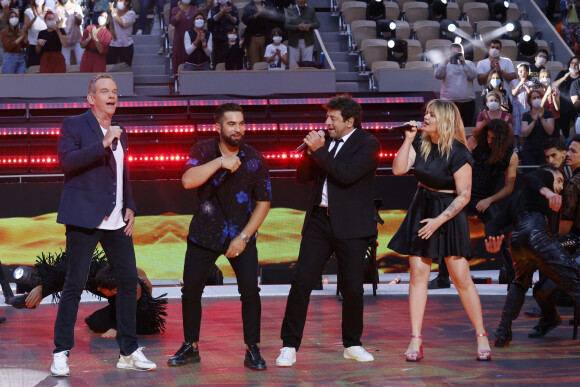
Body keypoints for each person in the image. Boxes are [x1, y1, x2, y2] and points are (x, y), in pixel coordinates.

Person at [50, 73, 156, 377]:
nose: (112, 96)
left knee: (128, 284)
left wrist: (131, 205)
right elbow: (67, 163)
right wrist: (103, 142)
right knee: (74, 284)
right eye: (105, 91)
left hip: (116, 220)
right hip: (84, 217)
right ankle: (61, 351)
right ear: (91, 99)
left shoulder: (122, 132)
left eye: (115, 92)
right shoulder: (74, 125)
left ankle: (128, 351)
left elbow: (123, 175)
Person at [276, 96, 380, 367]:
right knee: (302, 281)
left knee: (353, 287)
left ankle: (352, 344)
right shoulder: (325, 143)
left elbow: (345, 175)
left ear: (350, 121)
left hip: (352, 225)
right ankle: (289, 345)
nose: (326, 123)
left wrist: (319, 151)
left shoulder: (367, 144)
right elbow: (302, 178)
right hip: (320, 221)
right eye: (327, 118)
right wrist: (311, 152)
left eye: (332, 118)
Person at [168, 103, 272, 370]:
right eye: (231, 124)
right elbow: (188, 180)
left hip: (241, 236)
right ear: (218, 127)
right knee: (191, 291)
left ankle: (252, 349)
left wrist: (245, 237)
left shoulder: (255, 158)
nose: (238, 129)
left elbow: (264, 201)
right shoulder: (202, 150)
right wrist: (219, 162)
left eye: (241, 123)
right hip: (204, 232)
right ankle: (191, 346)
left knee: (250, 291)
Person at [388, 99, 492, 362]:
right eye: (425, 113)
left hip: (448, 212)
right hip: (422, 206)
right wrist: (408, 139)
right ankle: (415, 338)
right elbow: (399, 169)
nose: (425, 118)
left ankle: (481, 335)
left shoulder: (458, 152)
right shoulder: (421, 144)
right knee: (417, 277)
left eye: (431, 115)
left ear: (444, 120)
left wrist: (438, 221)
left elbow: (464, 196)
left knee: (460, 278)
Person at [485, 164, 580, 347]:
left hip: (518, 243)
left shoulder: (516, 200)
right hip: (535, 236)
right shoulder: (543, 178)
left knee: (520, 284)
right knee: (576, 279)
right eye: (559, 180)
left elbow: (492, 225)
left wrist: (491, 239)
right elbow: (531, 178)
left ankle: (503, 332)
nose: (560, 187)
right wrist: (548, 191)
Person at [429, 119, 518, 290]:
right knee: (445, 228)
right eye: (489, 137)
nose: (490, 141)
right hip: (463, 192)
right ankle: (442, 277)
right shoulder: (476, 141)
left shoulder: (511, 155)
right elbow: (457, 165)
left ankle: (514, 278)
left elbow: (508, 188)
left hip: (485, 197)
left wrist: (489, 200)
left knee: (498, 232)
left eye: (494, 139)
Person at [8, 250, 168, 337]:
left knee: (95, 323)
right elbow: (67, 270)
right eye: (98, 286)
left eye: (101, 290)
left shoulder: (136, 291)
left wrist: (120, 329)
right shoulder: (99, 273)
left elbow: (137, 316)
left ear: (114, 290)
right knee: (79, 275)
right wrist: (43, 289)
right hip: (104, 280)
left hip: (135, 311)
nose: (98, 290)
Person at [434, 43, 477, 127]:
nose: (456, 55)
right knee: (448, 128)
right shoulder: (445, 64)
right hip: (449, 103)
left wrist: (464, 64)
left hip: (467, 103)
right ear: (449, 53)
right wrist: (445, 61)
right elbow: (438, 75)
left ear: (462, 54)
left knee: (466, 127)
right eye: (454, 53)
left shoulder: (469, 63)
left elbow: (473, 75)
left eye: (459, 53)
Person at [520, 89, 556, 165]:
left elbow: (550, 131)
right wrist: (533, 121)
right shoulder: (526, 115)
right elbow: (525, 133)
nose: (536, 99)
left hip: (545, 149)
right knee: (530, 174)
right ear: (530, 101)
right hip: (529, 150)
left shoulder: (548, 113)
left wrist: (542, 118)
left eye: (538, 97)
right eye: (534, 98)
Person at [241, 0, 280, 70]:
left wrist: (266, 12)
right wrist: (257, 14)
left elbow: (276, 18)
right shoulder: (248, 6)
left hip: (266, 37)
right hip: (252, 37)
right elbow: (245, 20)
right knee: (254, 63)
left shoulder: (269, 5)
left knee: (266, 63)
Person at [285, 0, 319, 67]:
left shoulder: (311, 10)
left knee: (308, 63)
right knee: (293, 64)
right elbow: (286, 26)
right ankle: (292, 77)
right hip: (294, 41)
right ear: (296, 0)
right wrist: (297, 27)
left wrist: (310, 25)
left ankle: (307, 77)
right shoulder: (290, 11)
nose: (300, 1)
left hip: (308, 41)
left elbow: (317, 24)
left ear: (306, 0)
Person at [553, 56, 580, 139]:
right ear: (569, 64)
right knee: (564, 132)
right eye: (572, 63)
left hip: (577, 110)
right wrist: (564, 78)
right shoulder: (563, 73)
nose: (574, 65)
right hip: (564, 108)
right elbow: (553, 85)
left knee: (577, 132)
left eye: (577, 63)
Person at [106, 0, 136, 67]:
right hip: (112, 45)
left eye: (121, 0)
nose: (118, 1)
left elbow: (122, 23)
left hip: (126, 46)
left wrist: (113, 12)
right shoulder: (112, 11)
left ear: (127, 2)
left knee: (124, 71)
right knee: (110, 70)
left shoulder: (131, 13)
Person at [169, 0, 196, 74]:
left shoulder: (195, 9)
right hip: (180, 38)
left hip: (192, 38)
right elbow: (173, 22)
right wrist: (181, 10)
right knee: (179, 60)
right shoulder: (175, 9)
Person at [208, 0, 238, 66]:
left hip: (230, 39)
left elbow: (235, 21)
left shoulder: (233, 7)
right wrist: (222, 11)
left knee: (231, 60)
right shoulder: (214, 9)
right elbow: (213, 19)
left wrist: (228, 15)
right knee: (219, 61)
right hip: (218, 39)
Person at [510, 63, 535, 143]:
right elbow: (513, 93)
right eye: (519, 71)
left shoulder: (530, 83)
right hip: (517, 107)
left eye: (522, 70)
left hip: (526, 107)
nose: (520, 72)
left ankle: (523, 146)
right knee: (516, 126)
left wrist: (525, 84)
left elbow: (531, 93)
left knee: (524, 124)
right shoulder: (514, 82)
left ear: (527, 72)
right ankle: (515, 146)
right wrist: (520, 84)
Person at [55, 0, 83, 66]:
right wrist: (61, 19)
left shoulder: (76, 6)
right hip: (65, 41)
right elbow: (57, 27)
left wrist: (76, 17)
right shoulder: (58, 8)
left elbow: (80, 23)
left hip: (77, 40)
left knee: (81, 62)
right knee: (65, 63)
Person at [1, 9, 28, 74]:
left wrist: (24, 35)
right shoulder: (3, 32)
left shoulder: (20, 32)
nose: (14, 18)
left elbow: (26, 45)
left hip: (21, 57)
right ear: (8, 19)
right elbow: (10, 46)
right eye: (12, 17)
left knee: (21, 81)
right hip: (10, 58)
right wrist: (21, 37)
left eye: (16, 17)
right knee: (10, 81)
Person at [23, 0, 47, 68]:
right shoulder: (28, 11)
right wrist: (35, 17)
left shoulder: (48, 10)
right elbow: (25, 28)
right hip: (33, 44)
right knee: (33, 68)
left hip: (45, 44)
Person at [539, 69, 560, 138]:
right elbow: (540, 106)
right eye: (543, 77)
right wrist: (546, 94)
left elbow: (557, 108)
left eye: (547, 77)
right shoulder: (537, 92)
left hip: (554, 118)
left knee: (555, 139)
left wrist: (553, 97)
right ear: (539, 79)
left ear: (550, 78)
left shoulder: (555, 91)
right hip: (543, 119)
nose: (545, 79)